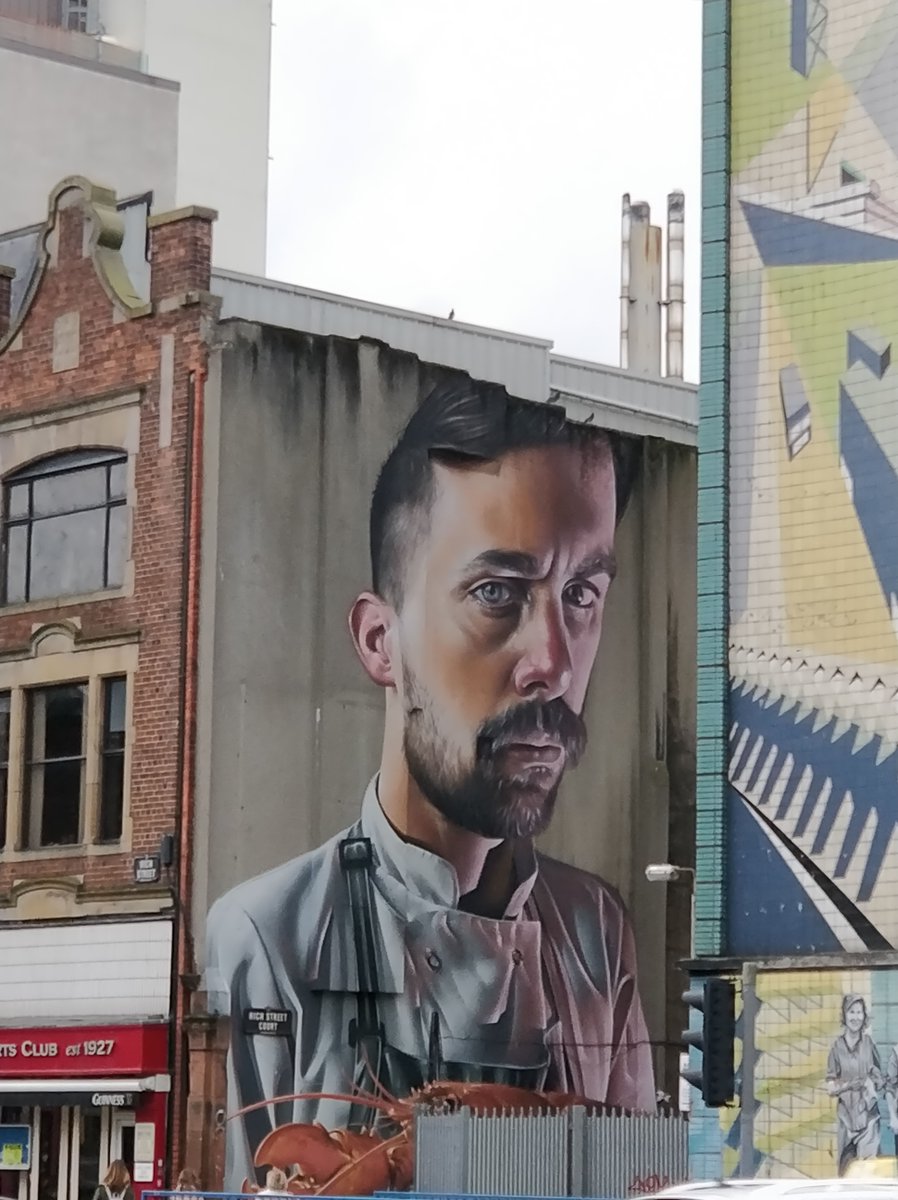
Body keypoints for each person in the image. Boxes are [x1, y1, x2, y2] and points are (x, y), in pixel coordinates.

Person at [206, 379, 656, 1186]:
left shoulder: (597, 930)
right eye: (497, 593)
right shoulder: (262, 938)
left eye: (582, 594)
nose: (553, 664)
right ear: (382, 641)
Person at [826, 994, 883, 1173]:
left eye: (859, 1012)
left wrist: (872, 1083)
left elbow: (880, 1079)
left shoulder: (869, 1044)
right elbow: (830, 1087)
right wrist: (851, 1084)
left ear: (864, 1016)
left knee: (867, 1172)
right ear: (844, 1015)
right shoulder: (836, 1048)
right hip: (846, 1120)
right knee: (845, 1171)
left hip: (869, 1120)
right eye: (852, 1012)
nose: (855, 1017)